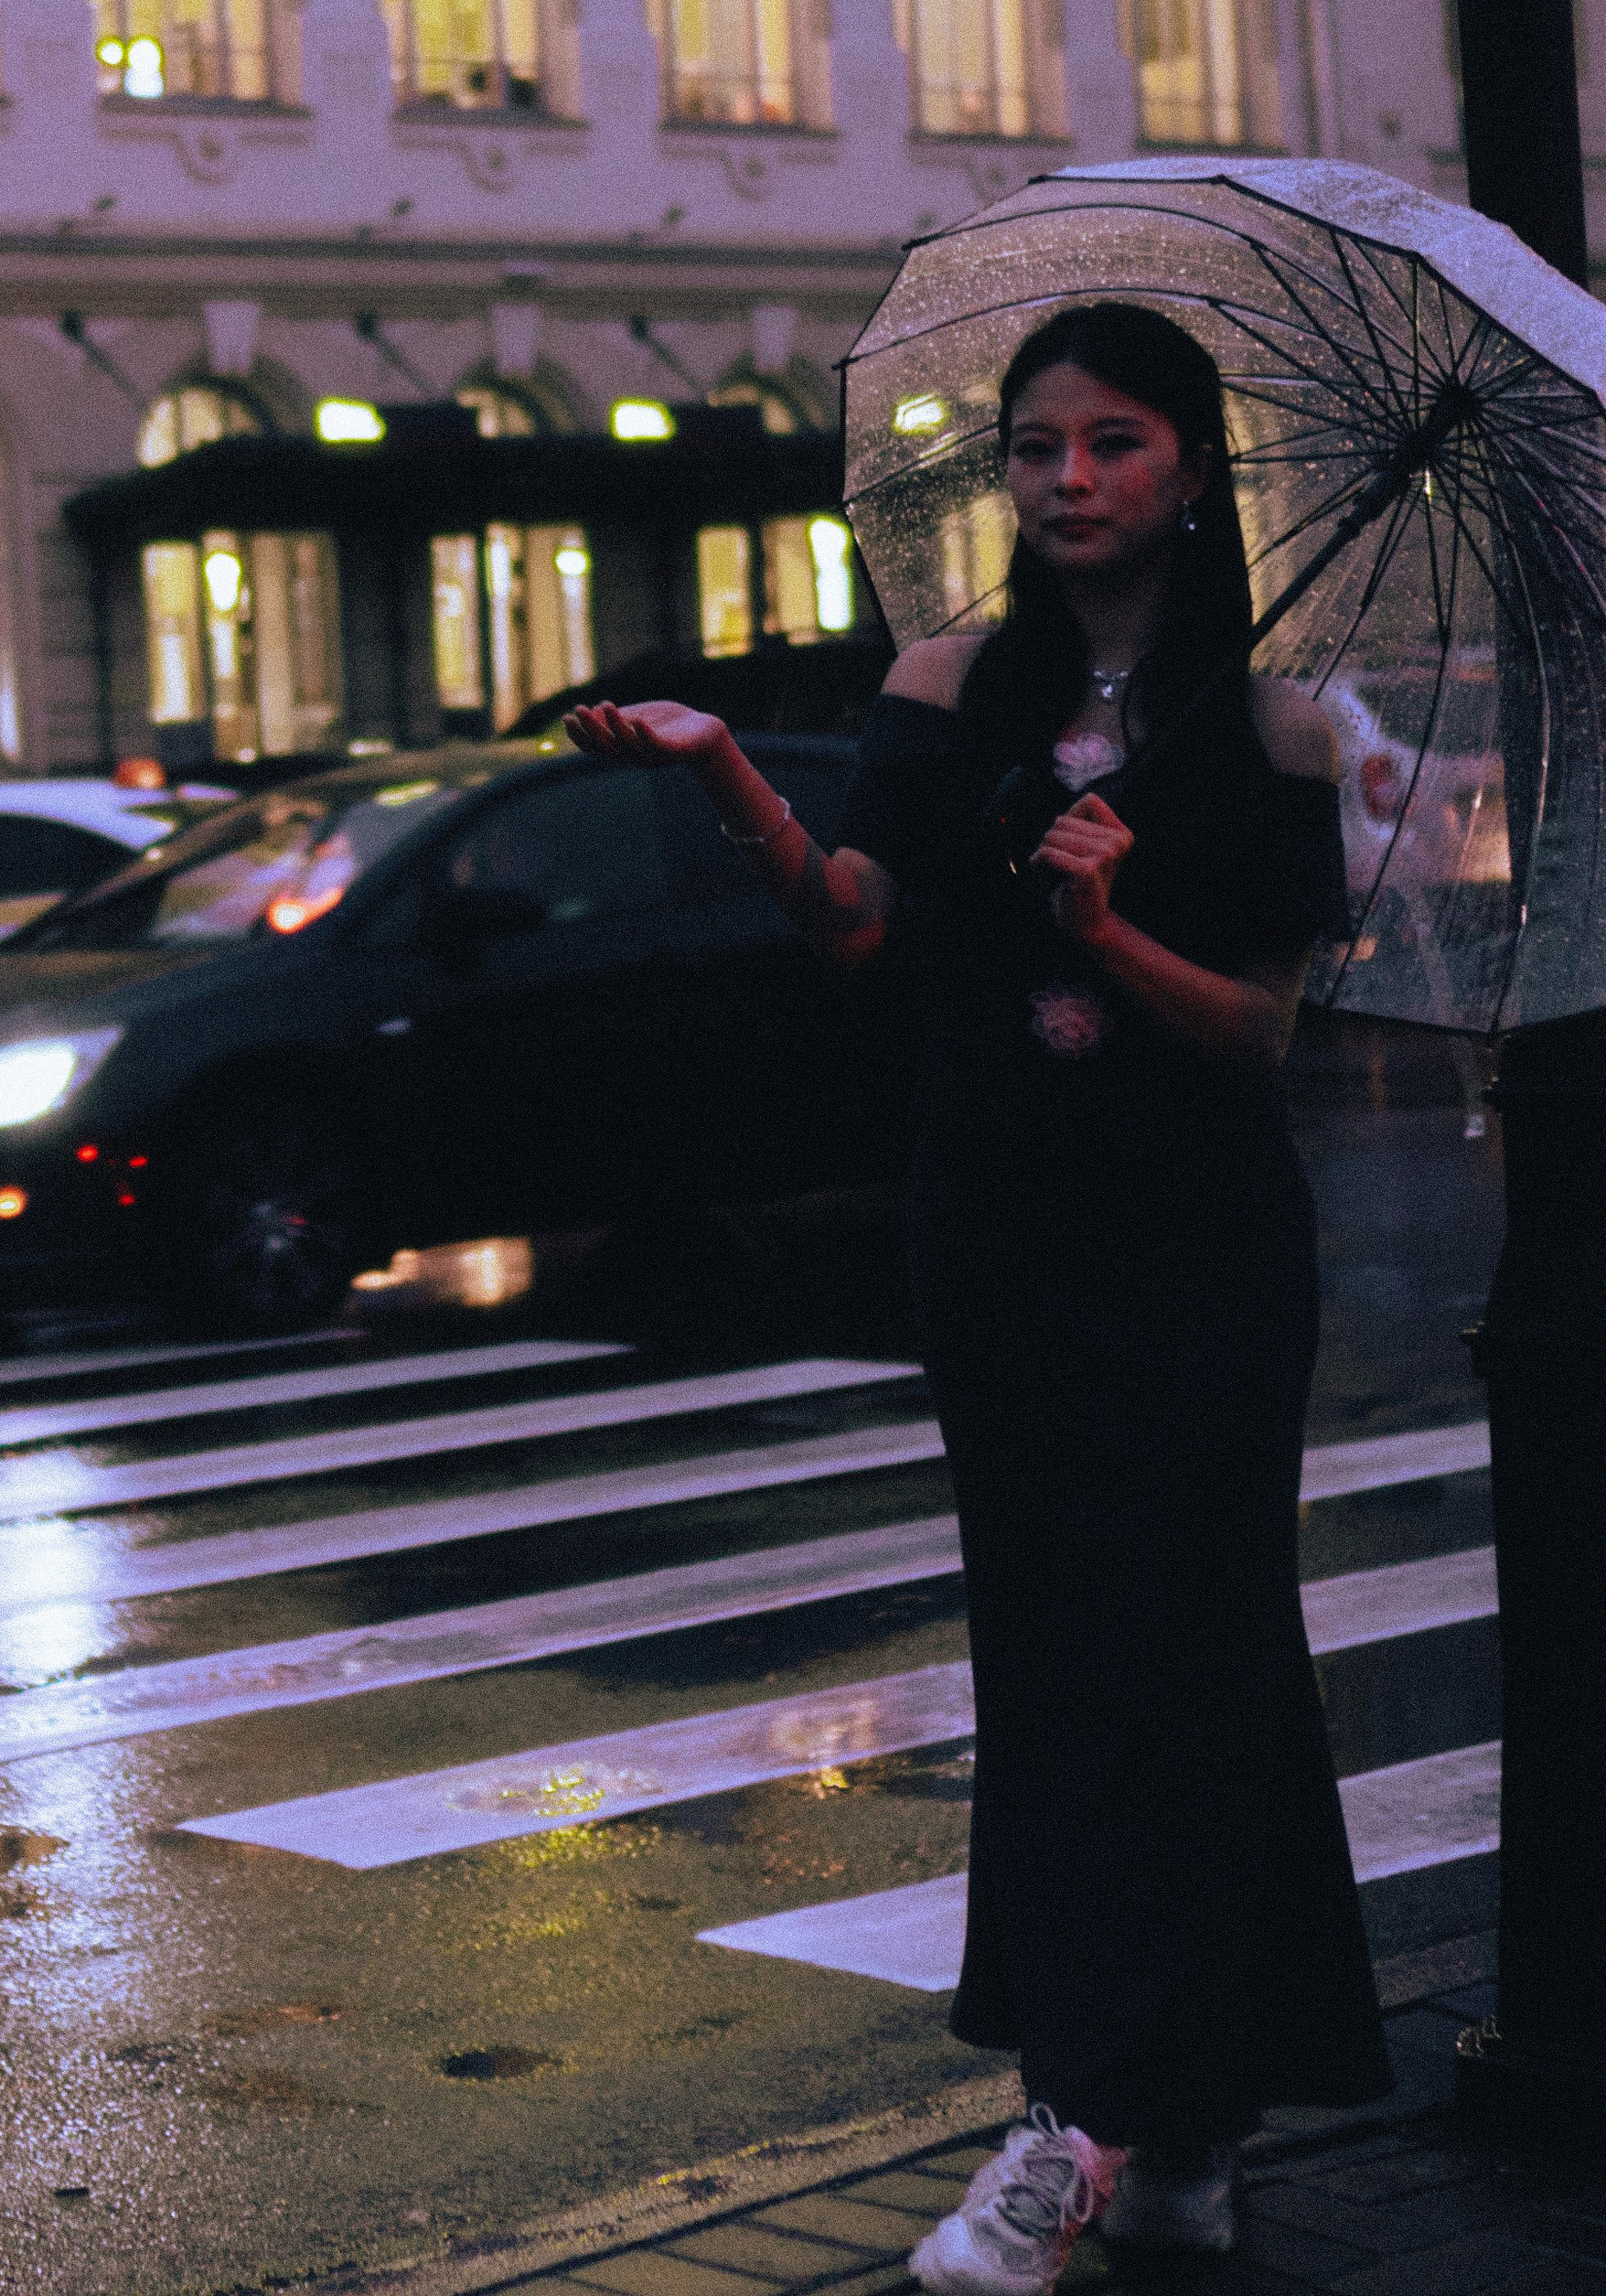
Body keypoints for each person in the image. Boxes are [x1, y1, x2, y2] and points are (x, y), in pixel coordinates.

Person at [567, 302, 1388, 2292]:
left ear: (1192, 471)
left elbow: (1253, 1037)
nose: (1069, 480)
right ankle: (1125, 2115)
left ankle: (1120, 2121)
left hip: (1193, 1247)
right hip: (1002, 1231)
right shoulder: (944, 684)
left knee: (1189, 1657)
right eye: (1035, 447)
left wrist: (1104, 928)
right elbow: (855, 924)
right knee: (1053, 1661)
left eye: (1112, 444)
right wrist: (733, 782)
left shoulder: (1273, 723)